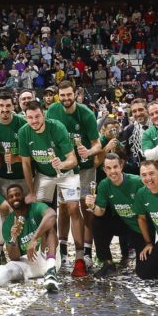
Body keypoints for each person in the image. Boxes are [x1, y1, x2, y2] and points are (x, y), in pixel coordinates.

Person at [47, 80, 101, 276]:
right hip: (64, 168)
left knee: (86, 208)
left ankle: (86, 251)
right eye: (62, 96)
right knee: (64, 208)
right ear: (58, 96)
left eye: (69, 95)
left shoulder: (86, 114)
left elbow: (97, 145)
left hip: (85, 168)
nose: (66, 99)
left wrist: (88, 151)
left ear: (76, 94)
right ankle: (62, 249)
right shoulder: (52, 110)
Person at [18, 100, 79, 275]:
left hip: (65, 172)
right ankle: (47, 255)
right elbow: (26, 165)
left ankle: (82, 255)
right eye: (30, 117)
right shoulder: (24, 132)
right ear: (26, 118)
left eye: (37, 116)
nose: (34, 120)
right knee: (41, 213)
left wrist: (62, 163)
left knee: (73, 207)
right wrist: (31, 191)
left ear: (43, 114)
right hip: (44, 176)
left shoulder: (57, 127)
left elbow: (73, 160)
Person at [85, 153, 149, 278]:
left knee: (144, 271)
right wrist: (92, 206)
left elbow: (155, 185)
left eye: (115, 167)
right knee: (97, 222)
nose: (112, 171)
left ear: (121, 166)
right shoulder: (104, 185)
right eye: (108, 168)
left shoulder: (136, 181)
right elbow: (101, 211)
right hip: (122, 223)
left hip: (140, 227)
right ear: (104, 170)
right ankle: (108, 264)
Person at [0, 91, 28, 196]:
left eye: (8, 105)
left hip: (24, 176)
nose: (5, 109)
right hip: (2, 177)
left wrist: (16, 158)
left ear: (13, 107)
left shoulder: (24, 124)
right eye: (1, 106)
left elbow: (33, 152)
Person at [119, 99, 151, 174]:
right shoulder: (129, 130)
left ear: (147, 110)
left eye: (140, 110)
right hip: (137, 171)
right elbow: (125, 151)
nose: (138, 113)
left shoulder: (157, 125)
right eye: (134, 111)